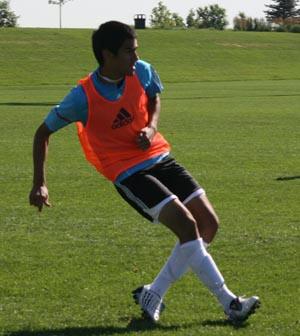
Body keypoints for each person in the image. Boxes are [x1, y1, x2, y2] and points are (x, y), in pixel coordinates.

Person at [29, 21, 260, 324]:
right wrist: (39, 183)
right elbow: (42, 133)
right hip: (127, 172)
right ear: (107, 55)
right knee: (188, 226)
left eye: (136, 51)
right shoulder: (81, 97)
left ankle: (154, 292)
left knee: (209, 224)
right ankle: (229, 303)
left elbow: (153, 97)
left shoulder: (142, 70)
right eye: (128, 53)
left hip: (158, 156)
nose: (135, 59)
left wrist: (151, 127)